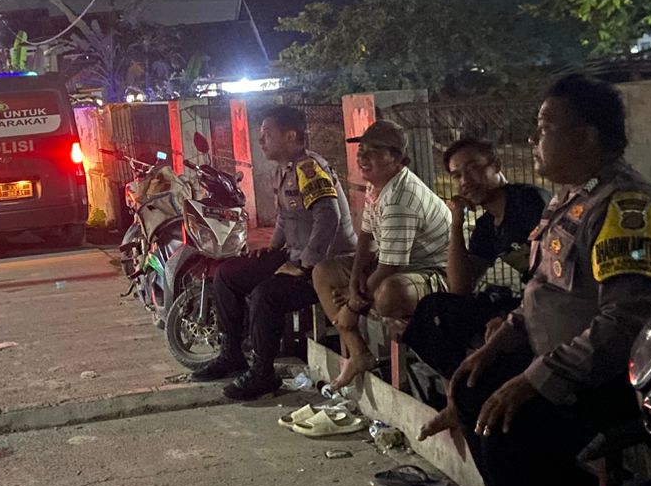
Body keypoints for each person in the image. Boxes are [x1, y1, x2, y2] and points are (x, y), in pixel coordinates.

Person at [423, 75, 651, 486]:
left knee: (512, 427)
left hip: (618, 381)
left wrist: (534, 378)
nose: (533, 140)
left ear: (585, 137)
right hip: (566, 365)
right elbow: (542, 296)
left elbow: (624, 326)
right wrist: (498, 345)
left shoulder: (625, 209)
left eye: (544, 128)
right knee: (473, 386)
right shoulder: (573, 201)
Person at [192, 105, 356, 401]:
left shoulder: (310, 169)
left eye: (267, 134)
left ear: (290, 135)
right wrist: (273, 247)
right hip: (295, 254)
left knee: (265, 295)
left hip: (327, 264)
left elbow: (328, 218)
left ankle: (263, 373)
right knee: (227, 274)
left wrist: (304, 265)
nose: (261, 141)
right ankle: (232, 354)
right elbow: (285, 216)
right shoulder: (284, 171)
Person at [394, 138, 550, 382]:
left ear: (496, 165)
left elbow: (547, 272)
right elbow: (460, 288)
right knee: (431, 310)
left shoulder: (527, 201)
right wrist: (456, 223)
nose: (465, 181)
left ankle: (470, 385)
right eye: (457, 175)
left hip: (538, 308)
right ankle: (464, 383)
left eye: (473, 168)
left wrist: (510, 318)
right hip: (507, 306)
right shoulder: (486, 224)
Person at [312, 120, 451, 388]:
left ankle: (371, 311)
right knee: (323, 272)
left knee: (389, 294)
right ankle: (359, 353)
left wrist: (353, 305)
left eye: (373, 151)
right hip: (397, 265)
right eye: (361, 150)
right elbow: (366, 236)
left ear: (396, 159)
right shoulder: (377, 186)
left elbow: (390, 267)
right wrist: (355, 280)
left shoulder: (401, 197)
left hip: (431, 273)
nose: (362, 157)